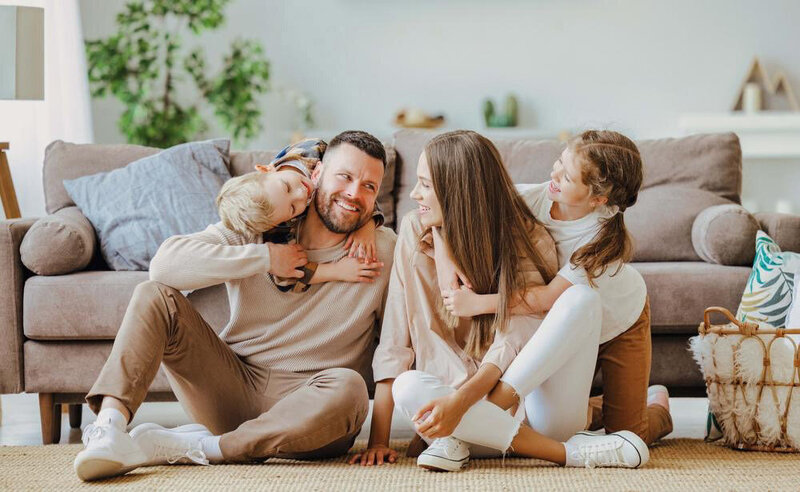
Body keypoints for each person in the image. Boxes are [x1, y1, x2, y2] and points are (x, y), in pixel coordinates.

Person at [73, 131, 396, 482]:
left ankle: (204, 448)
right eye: (345, 177)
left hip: (314, 407)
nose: (353, 194)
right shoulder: (263, 220)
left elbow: (396, 343)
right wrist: (264, 258)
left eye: (369, 187)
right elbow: (165, 267)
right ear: (316, 175)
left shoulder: (383, 249)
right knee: (154, 295)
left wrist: (381, 439)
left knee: (350, 388)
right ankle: (109, 430)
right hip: (234, 385)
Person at [351, 130, 647, 472]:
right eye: (559, 164)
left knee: (630, 425)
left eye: (426, 185)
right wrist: (378, 441)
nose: (414, 194)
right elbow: (394, 342)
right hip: (455, 408)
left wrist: (465, 400)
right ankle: (527, 443)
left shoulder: (549, 238)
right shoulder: (424, 228)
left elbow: (531, 316)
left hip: (564, 355)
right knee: (408, 386)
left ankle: (612, 427)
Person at [443, 130, 673, 450]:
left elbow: (546, 298)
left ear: (597, 199)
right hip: (568, 324)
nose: (553, 174)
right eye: (558, 162)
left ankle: (658, 406)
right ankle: (592, 411)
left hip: (619, 320)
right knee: (557, 419)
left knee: (629, 433)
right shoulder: (529, 199)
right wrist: (451, 257)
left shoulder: (600, 241)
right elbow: (456, 219)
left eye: (566, 176)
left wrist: (477, 303)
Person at [216, 138, 384, 291]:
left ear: (266, 170)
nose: (301, 193)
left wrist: (367, 225)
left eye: (286, 187)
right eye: (293, 208)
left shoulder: (312, 150)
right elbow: (287, 276)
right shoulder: (279, 225)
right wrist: (336, 271)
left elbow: (358, 176)